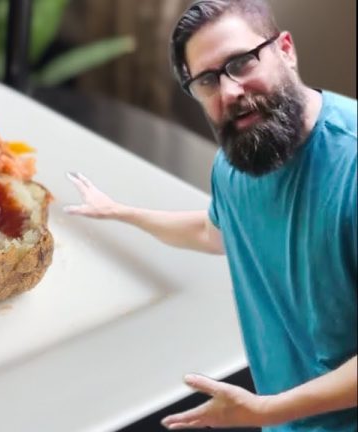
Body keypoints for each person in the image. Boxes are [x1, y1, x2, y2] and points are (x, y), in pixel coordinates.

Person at [64, 0, 357, 430]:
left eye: (241, 63)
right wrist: (121, 213)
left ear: (286, 50)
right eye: (206, 80)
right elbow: (213, 231)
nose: (229, 92)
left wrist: (265, 410)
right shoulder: (236, 164)